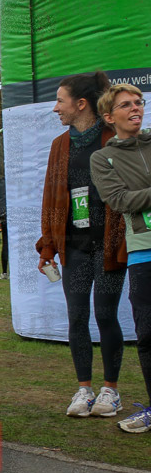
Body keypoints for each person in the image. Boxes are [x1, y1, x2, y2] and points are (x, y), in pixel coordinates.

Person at [37, 70, 127, 418]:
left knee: (106, 315)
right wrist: (48, 247)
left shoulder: (112, 138)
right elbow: (51, 198)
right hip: (73, 246)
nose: (56, 108)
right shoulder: (60, 145)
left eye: (60, 100)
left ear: (81, 104)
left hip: (109, 245)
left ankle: (111, 391)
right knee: (77, 317)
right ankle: (84, 390)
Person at [90, 83, 151, 432]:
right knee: (148, 336)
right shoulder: (104, 158)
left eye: (139, 103)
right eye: (126, 105)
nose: (136, 108)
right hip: (143, 251)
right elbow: (121, 201)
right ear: (109, 117)